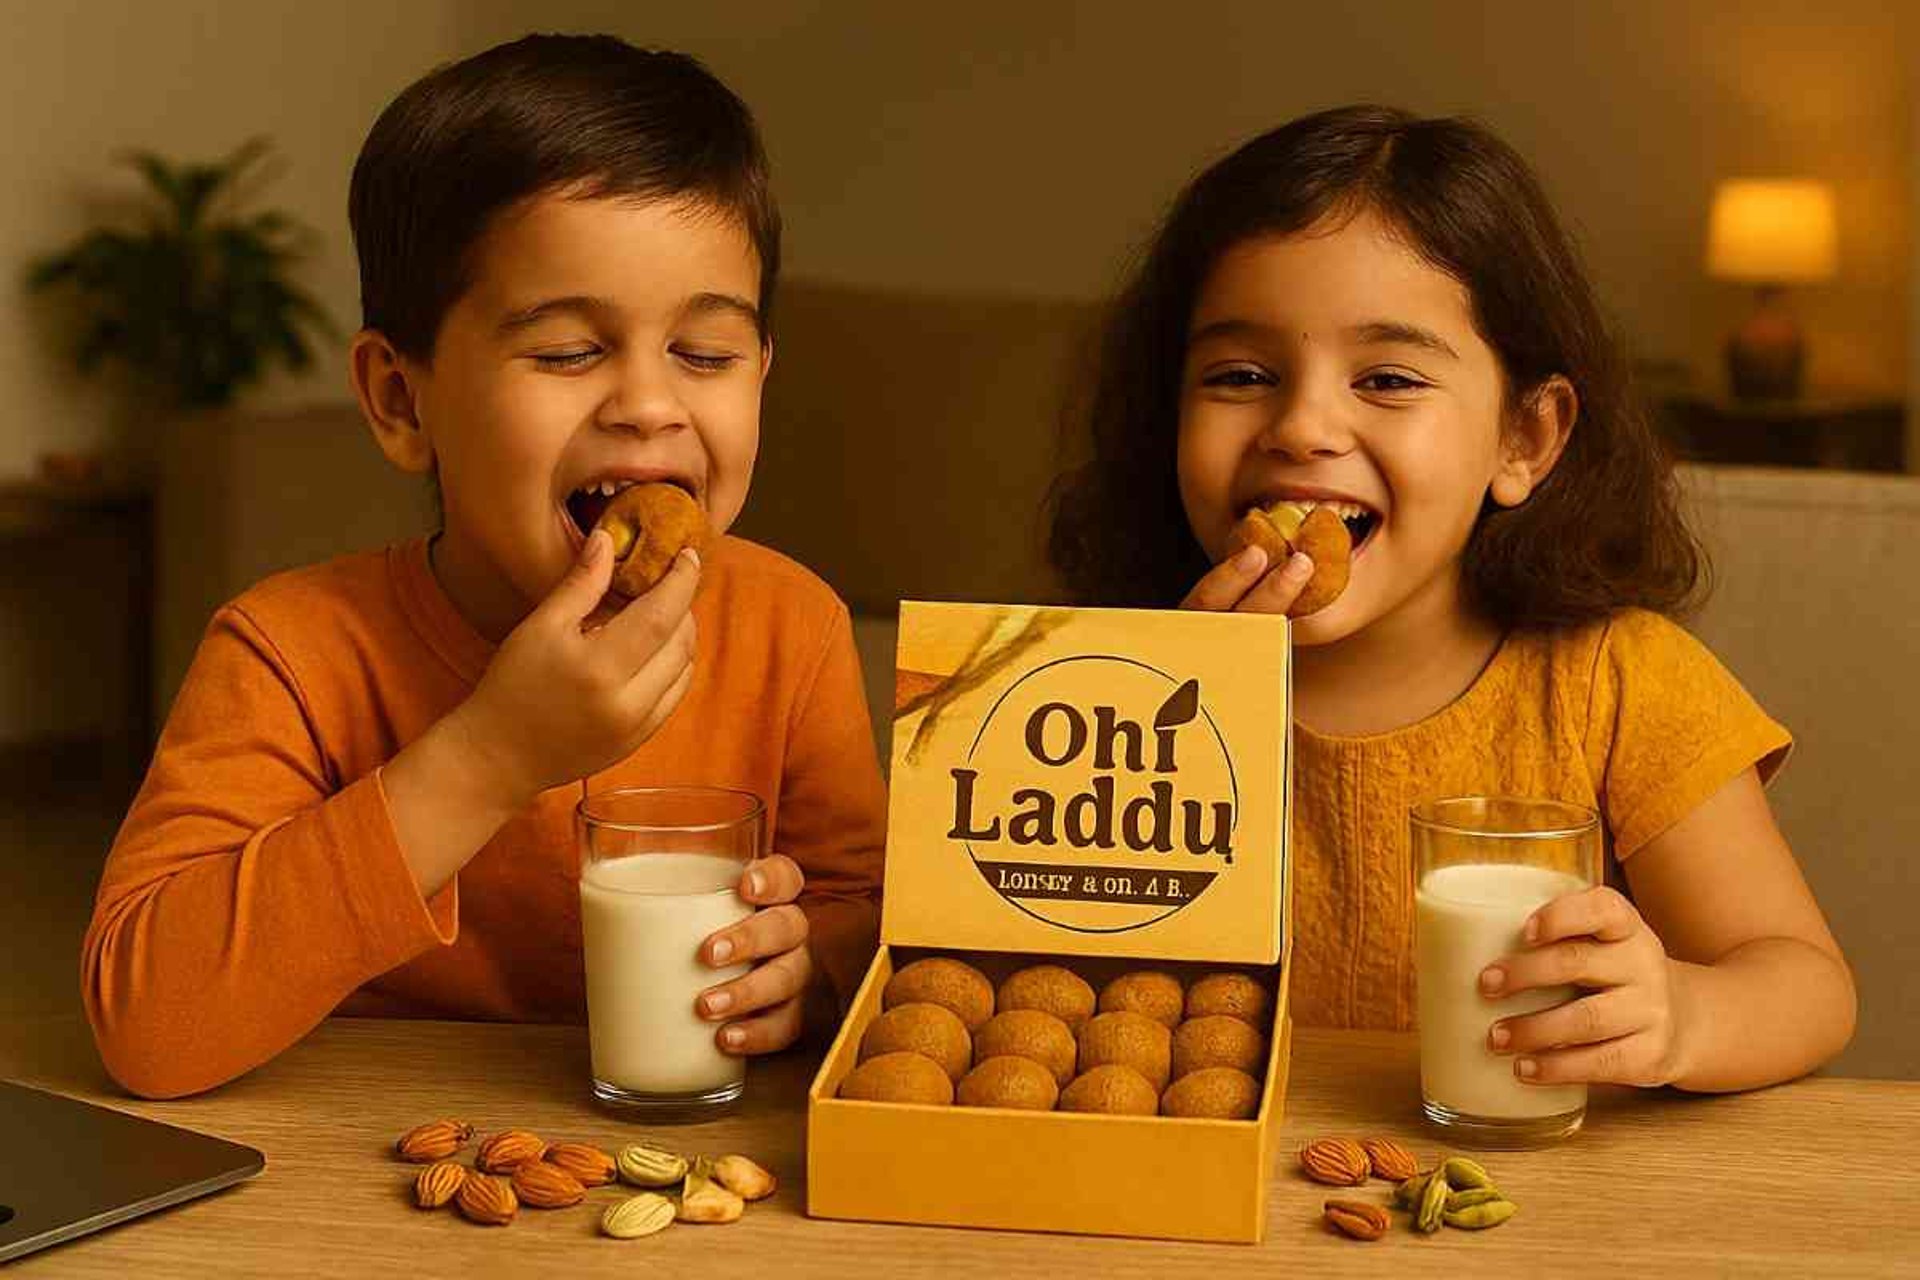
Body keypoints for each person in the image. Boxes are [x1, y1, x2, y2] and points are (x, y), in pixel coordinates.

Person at [84, 35, 885, 1098]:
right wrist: (490, 756)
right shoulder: (290, 651)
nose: (650, 403)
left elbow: (874, 923)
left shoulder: (793, 627)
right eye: (566, 352)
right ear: (401, 400)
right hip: (354, 1179)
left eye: (706, 354)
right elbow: (150, 1026)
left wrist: (813, 970)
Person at [1047, 105, 1854, 1092]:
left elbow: (1806, 983)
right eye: (1241, 374)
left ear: (1526, 439)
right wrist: (1166, 720)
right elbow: (1037, 979)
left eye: (1386, 377)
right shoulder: (1097, 691)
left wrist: (1683, 1014)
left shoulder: (1621, 685)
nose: (1302, 425)